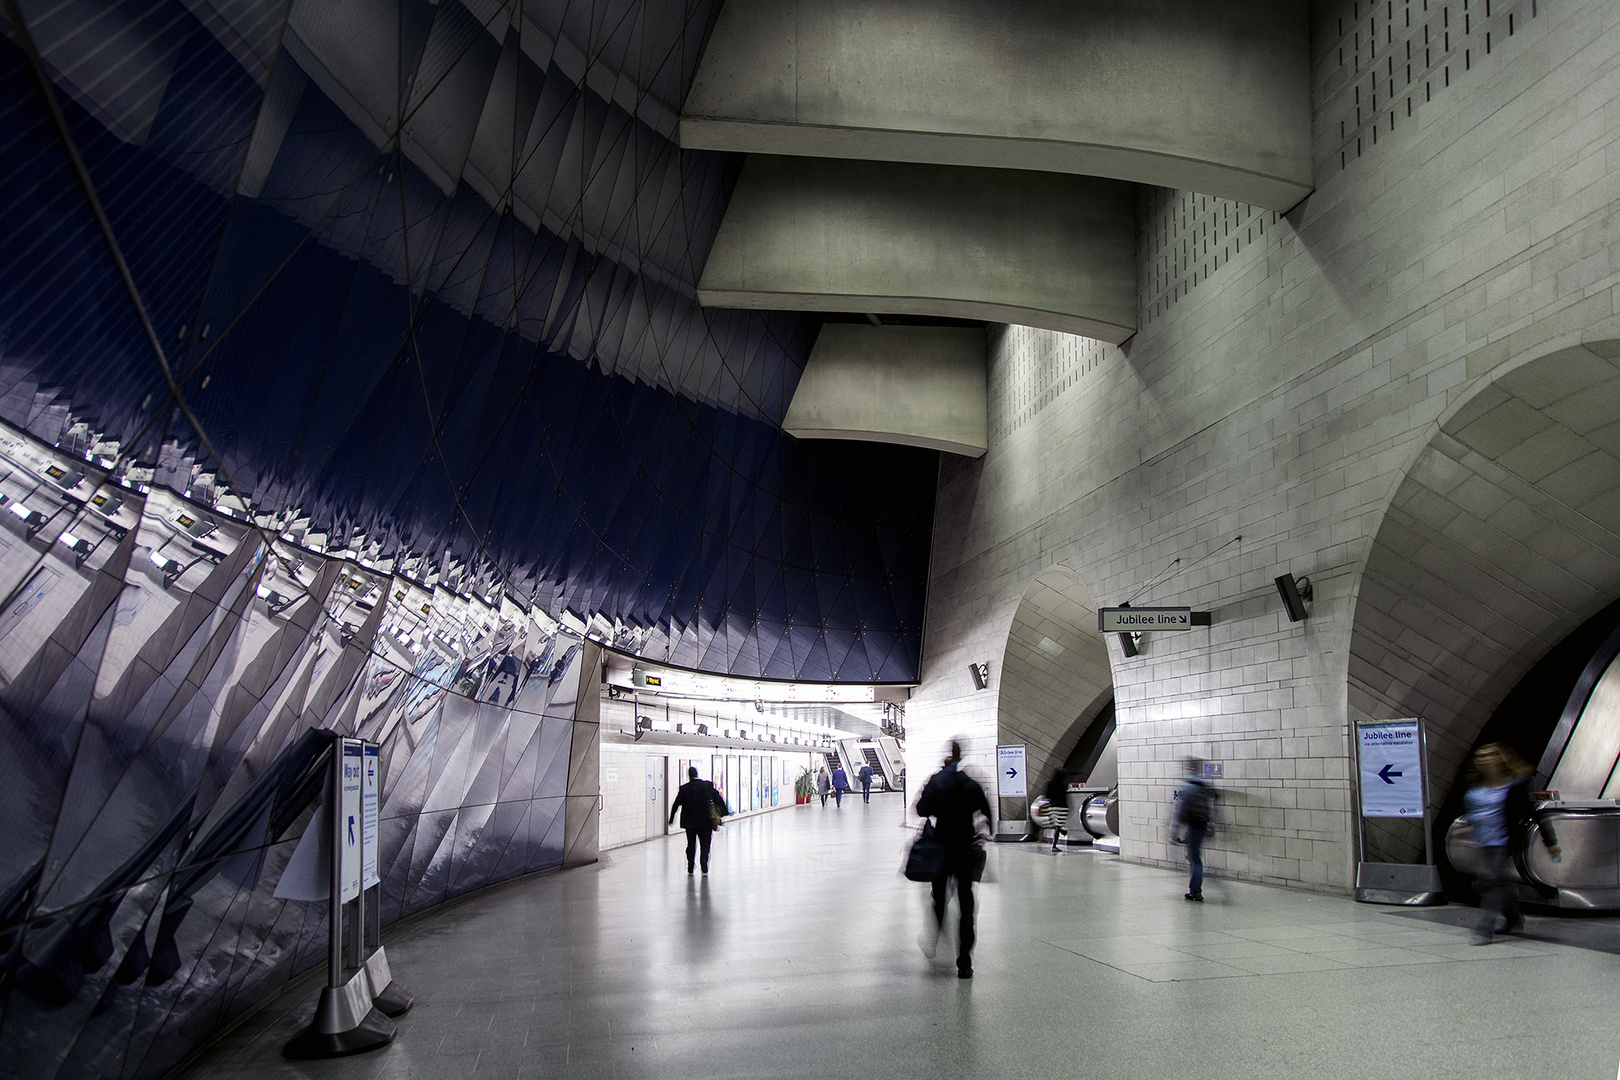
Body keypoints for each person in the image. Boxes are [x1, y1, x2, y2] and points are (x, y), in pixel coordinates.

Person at [1463, 742, 1560, 944]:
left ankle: (1484, 929)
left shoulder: (1514, 785)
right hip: (1483, 841)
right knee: (1500, 882)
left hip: (1504, 841)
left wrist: (1550, 842)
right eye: (1481, 756)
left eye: (1490, 755)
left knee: (1491, 880)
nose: (1484, 759)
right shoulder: (1475, 786)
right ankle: (1514, 918)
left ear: (1500, 759)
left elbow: (1535, 813)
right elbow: (1472, 814)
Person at [915, 741, 992, 979]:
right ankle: (965, 963)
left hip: (940, 849)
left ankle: (935, 937)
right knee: (966, 904)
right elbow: (987, 812)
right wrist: (986, 833)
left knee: (939, 898)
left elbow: (920, 809)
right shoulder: (970, 785)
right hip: (965, 850)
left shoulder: (936, 782)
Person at [669, 767, 730, 875]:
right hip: (706, 822)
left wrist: (671, 818)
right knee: (705, 844)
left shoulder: (684, 789)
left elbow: (676, 804)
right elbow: (718, 799)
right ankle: (704, 864)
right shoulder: (707, 786)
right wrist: (724, 812)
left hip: (690, 823)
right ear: (697, 774)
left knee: (691, 845)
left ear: (689, 775)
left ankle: (690, 866)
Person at [1170, 757, 1215, 902]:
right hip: (1201, 826)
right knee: (1194, 858)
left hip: (1193, 827)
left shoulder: (1189, 788)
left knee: (1195, 860)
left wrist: (1175, 833)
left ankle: (1195, 891)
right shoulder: (1204, 786)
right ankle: (1195, 889)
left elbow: (1181, 813)